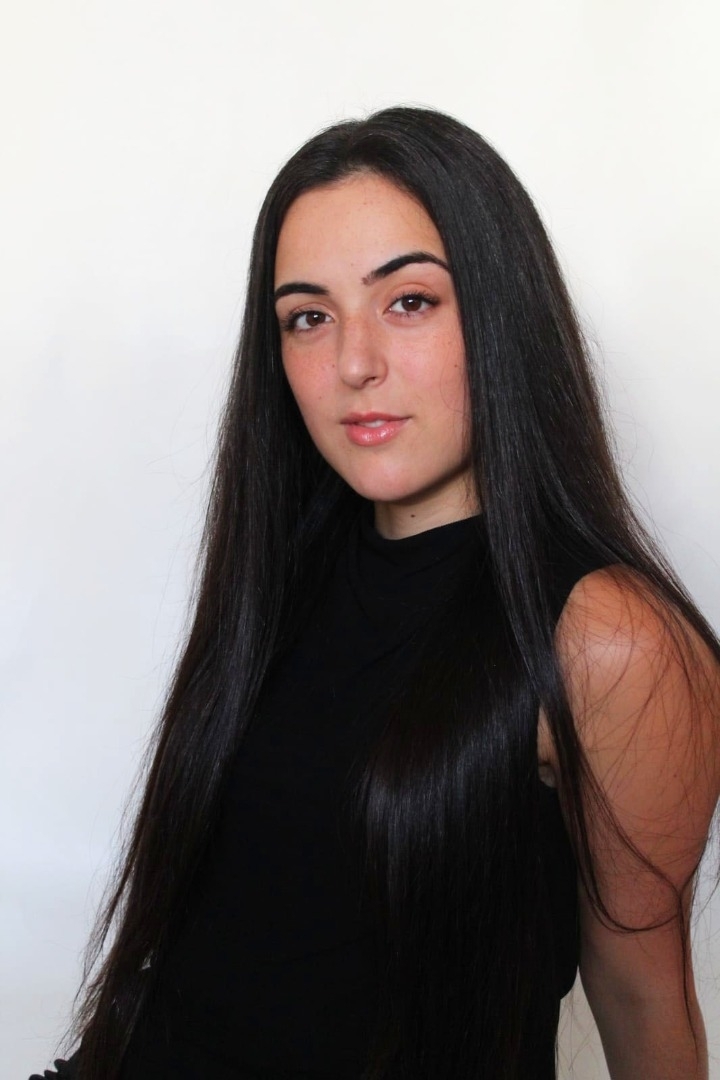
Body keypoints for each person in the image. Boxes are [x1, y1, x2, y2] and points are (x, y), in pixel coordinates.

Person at [31, 106, 720, 1080]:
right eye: (309, 318)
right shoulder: (282, 576)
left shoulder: (610, 641)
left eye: (409, 301)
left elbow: (645, 1000)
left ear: (502, 311)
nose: (353, 365)